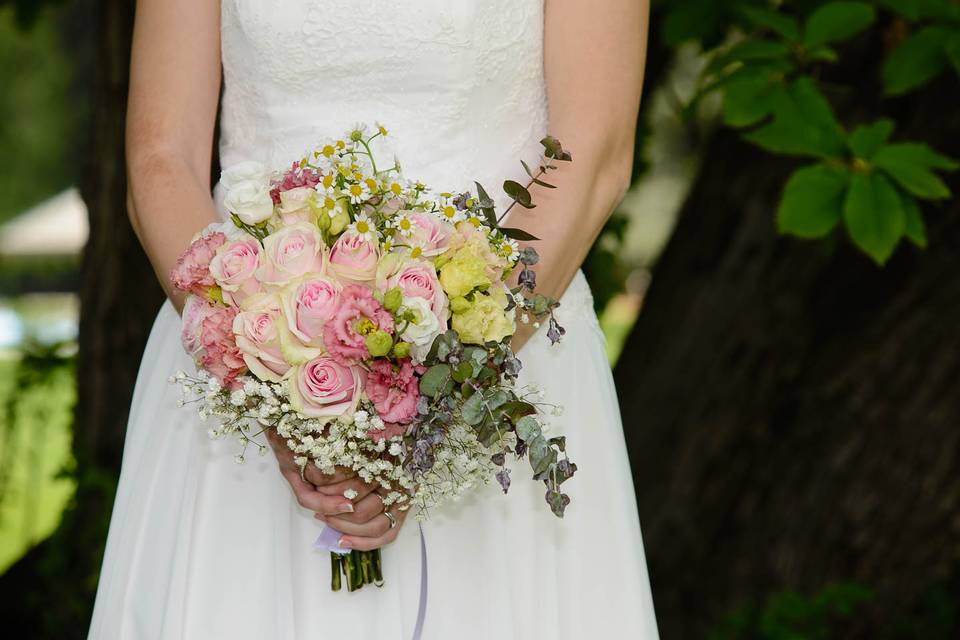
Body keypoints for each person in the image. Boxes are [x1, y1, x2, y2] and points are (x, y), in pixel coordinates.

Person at [88, 1, 658, 637]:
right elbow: (162, 158)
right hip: (245, 371)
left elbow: (594, 155)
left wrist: (439, 399)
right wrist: (267, 378)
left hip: (505, 356)